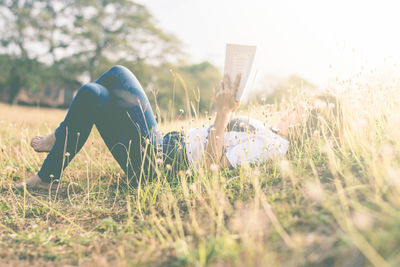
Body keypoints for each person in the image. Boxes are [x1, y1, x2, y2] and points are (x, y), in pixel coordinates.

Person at [15, 65, 308, 190]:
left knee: (104, 85)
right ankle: (54, 157)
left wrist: (222, 113)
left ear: (306, 129)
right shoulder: (268, 131)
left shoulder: (275, 146)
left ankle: (53, 158)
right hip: (159, 144)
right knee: (103, 85)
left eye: (304, 113)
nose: (296, 109)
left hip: (157, 163)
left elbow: (210, 167)